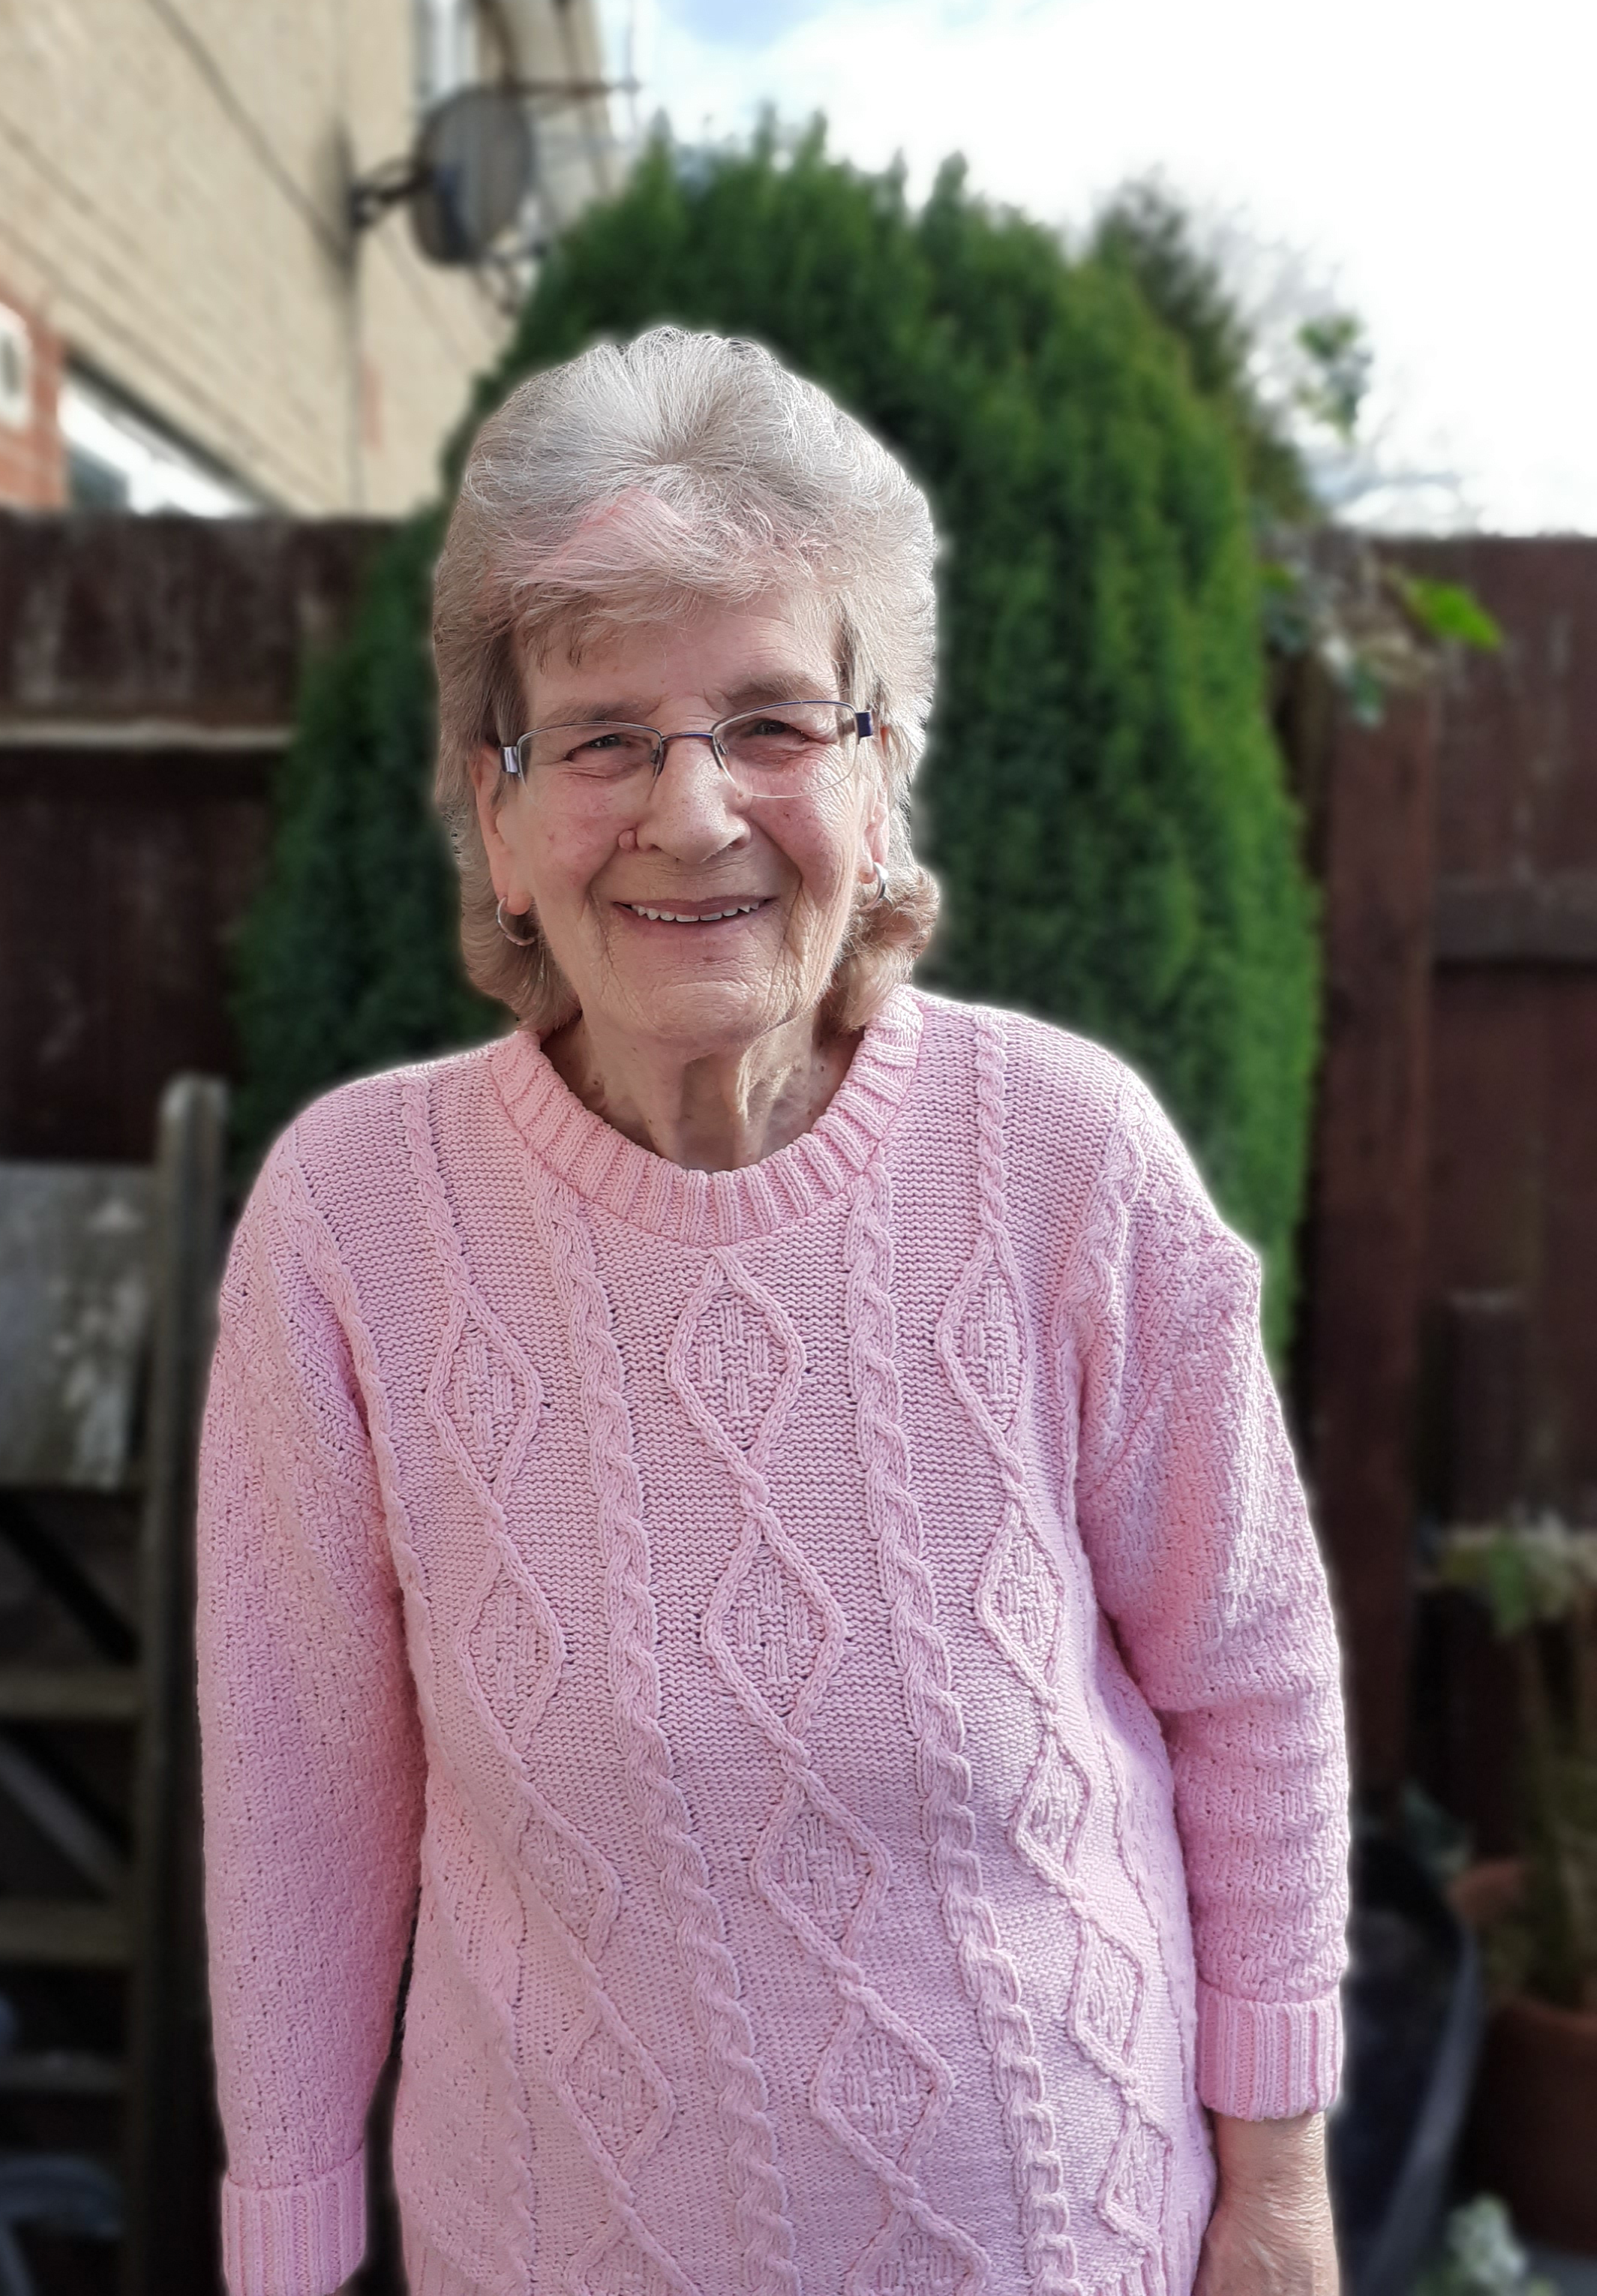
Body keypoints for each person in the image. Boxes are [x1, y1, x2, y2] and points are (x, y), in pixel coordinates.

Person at [197, 327, 1349, 2296]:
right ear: (498, 817)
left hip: (1067, 2245)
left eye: (771, 723)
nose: (693, 809)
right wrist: (286, 2254)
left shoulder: (1066, 1157)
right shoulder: (352, 1223)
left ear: (879, 775)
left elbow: (1251, 1684)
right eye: (601, 738)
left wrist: (1283, 2188)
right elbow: (297, 1793)